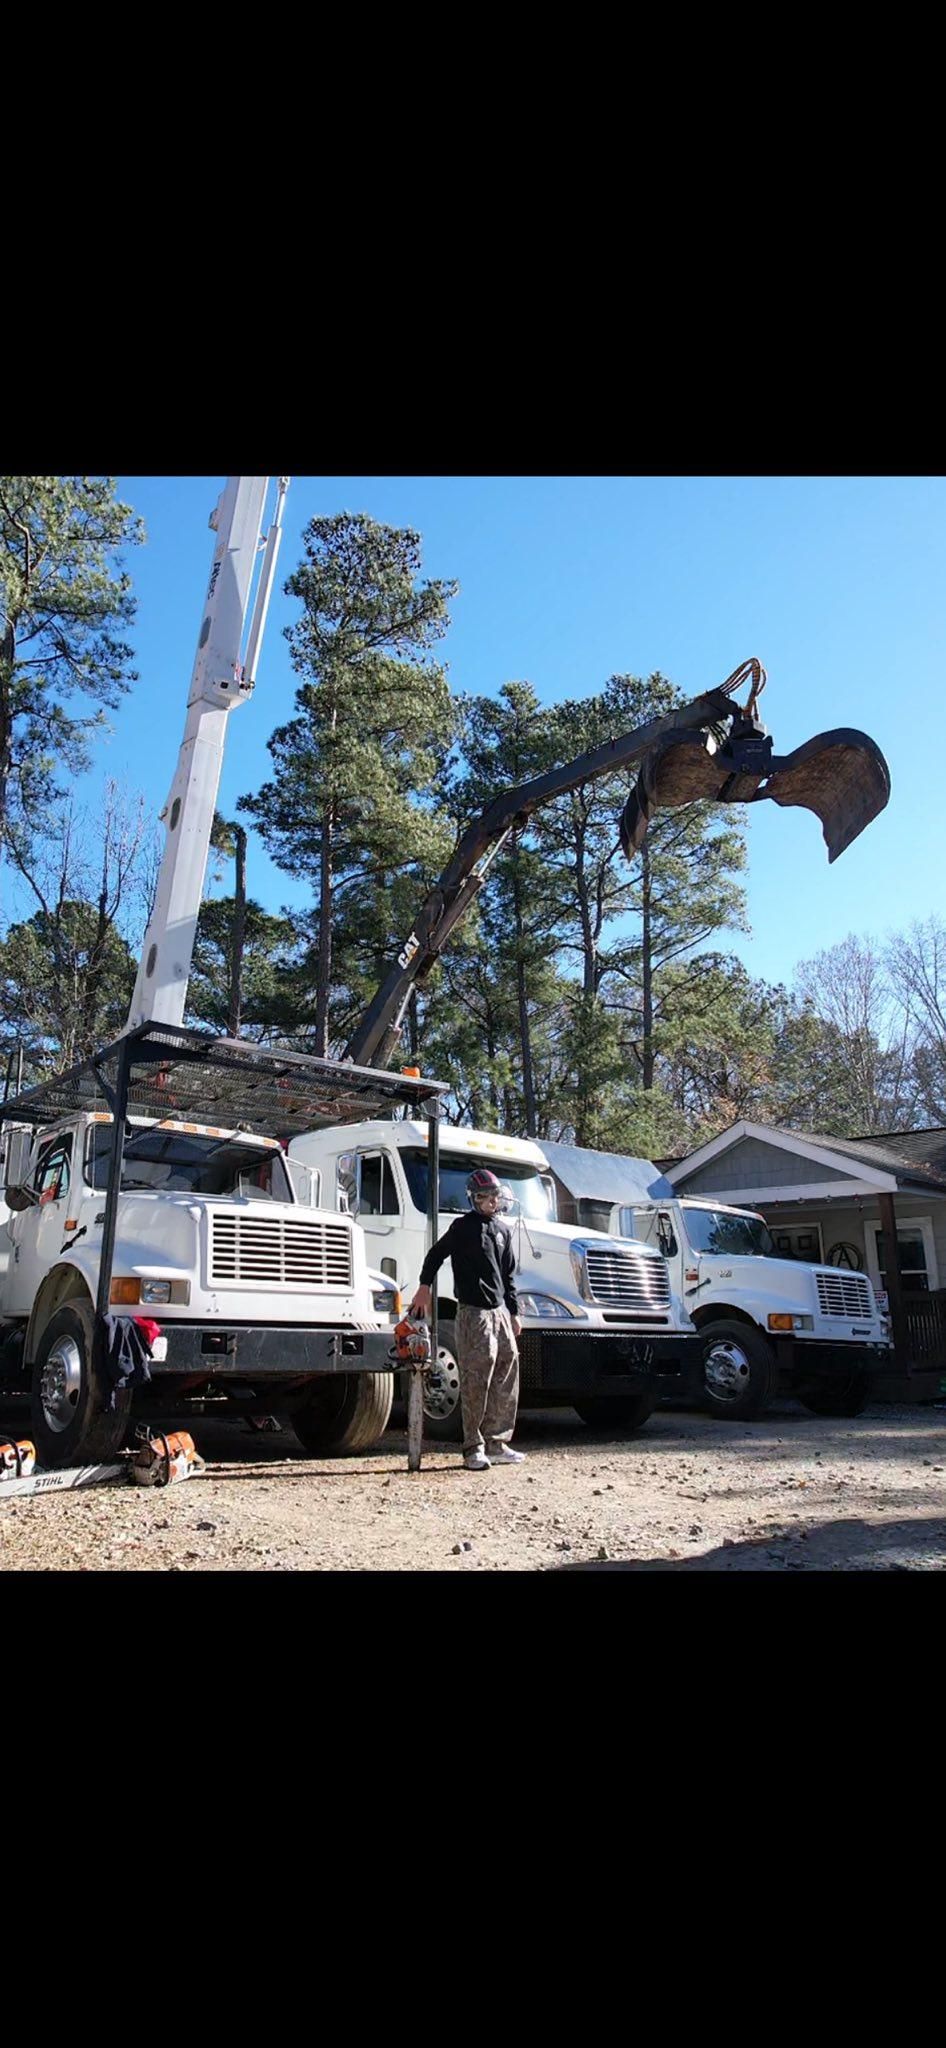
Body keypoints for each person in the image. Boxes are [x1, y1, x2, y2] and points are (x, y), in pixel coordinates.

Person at [409, 1167, 526, 1472]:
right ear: (474, 1199)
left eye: (494, 1196)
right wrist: (424, 1287)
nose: (490, 1201)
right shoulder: (462, 1227)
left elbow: (508, 1276)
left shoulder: (502, 1231)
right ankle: (472, 1448)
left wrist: (514, 1313)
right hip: (472, 1311)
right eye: (483, 1196)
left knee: (507, 1366)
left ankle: (497, 1442)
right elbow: (435, 1255)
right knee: (477, 1375)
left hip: (499, 1311)